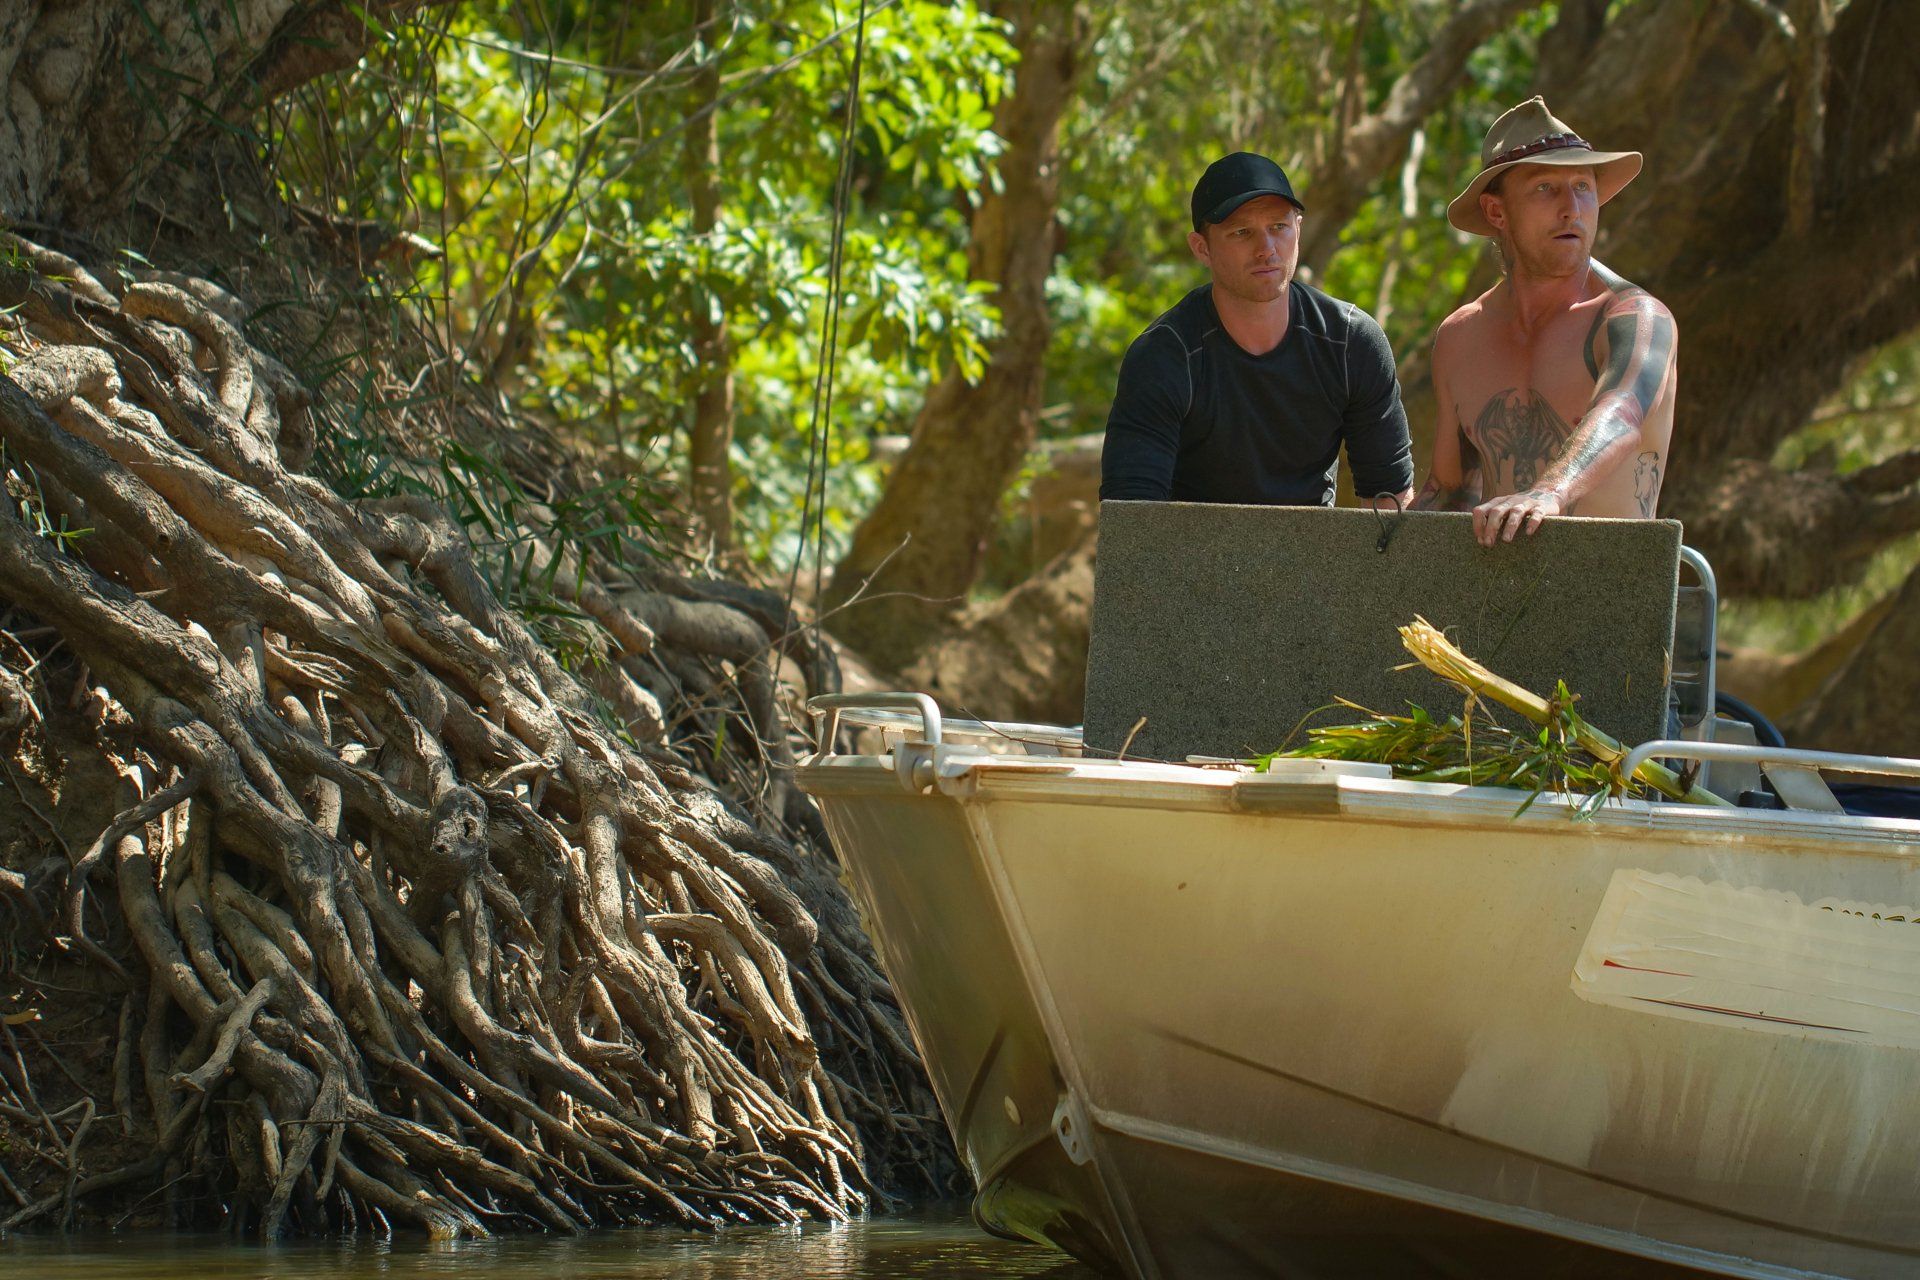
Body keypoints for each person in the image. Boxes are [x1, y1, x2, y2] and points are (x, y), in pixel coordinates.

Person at [1416, 97, 1677, 546]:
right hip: (1495, 584)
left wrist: (1549, 492)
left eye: (1583, 186)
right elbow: (1449, 492)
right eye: (1545, 188)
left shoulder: (1634, 319)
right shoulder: (1461, 336)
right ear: (1497, 212)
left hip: (1614, 581)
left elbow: (1622, 412)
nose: (1572, 208)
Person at [1099, 152, 1414, 509]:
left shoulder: (1350, 342)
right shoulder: (1165, 356)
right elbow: (1132, 516)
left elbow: (1390, 499)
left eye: (1278, 227)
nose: (1266, 249)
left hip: (1312, 541)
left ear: (1298, 229)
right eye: (1242, 232)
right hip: (1190, 544)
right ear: (1202, 248)